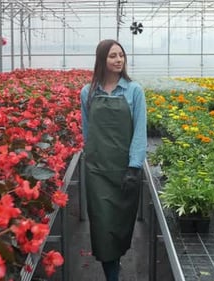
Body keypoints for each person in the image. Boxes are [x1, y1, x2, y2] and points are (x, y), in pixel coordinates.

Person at [80, 39, 147, 281]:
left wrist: (134, 166)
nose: (118, 60)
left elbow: (140, 132)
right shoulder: (87, 92)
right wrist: (92, 157)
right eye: (112, 56)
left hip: (124, 171)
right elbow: (87, 131)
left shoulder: (133, 91)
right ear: (102, 60)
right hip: (97, 172)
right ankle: (112, 276)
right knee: (102, 226)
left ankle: (115, 266)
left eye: (121, 55)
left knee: (119, 228)